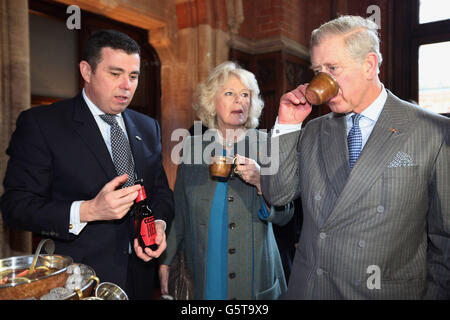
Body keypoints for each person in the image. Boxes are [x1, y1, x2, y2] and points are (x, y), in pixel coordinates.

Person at [260, 15, 450, 299]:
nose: (323, 81)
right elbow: (277, 194)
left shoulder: (433, 132)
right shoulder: (314, 130)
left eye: (332, 68)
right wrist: (287, 124)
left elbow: (444, 243)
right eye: (318, 70)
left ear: (369, 65)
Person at [0, 30, 174, 299]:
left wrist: (159, 225)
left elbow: (160, 192)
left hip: (140, 276)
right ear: (86, 71)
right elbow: (16, 208)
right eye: (115, 74)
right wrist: (89, 210)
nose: (127, 85)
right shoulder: (42, 124)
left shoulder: (147, 126)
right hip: (79, 282)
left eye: (134, 76)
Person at [159, 61, 293, 300]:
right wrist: (166, 260)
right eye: (229, 93)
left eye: (245, 95)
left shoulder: (267, 144)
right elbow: (180, 212)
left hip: (255, 272)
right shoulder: (191, 147)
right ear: (212, 101)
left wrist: (262, 182)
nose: (239, 100)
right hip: (204, 266)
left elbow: (286, 215)